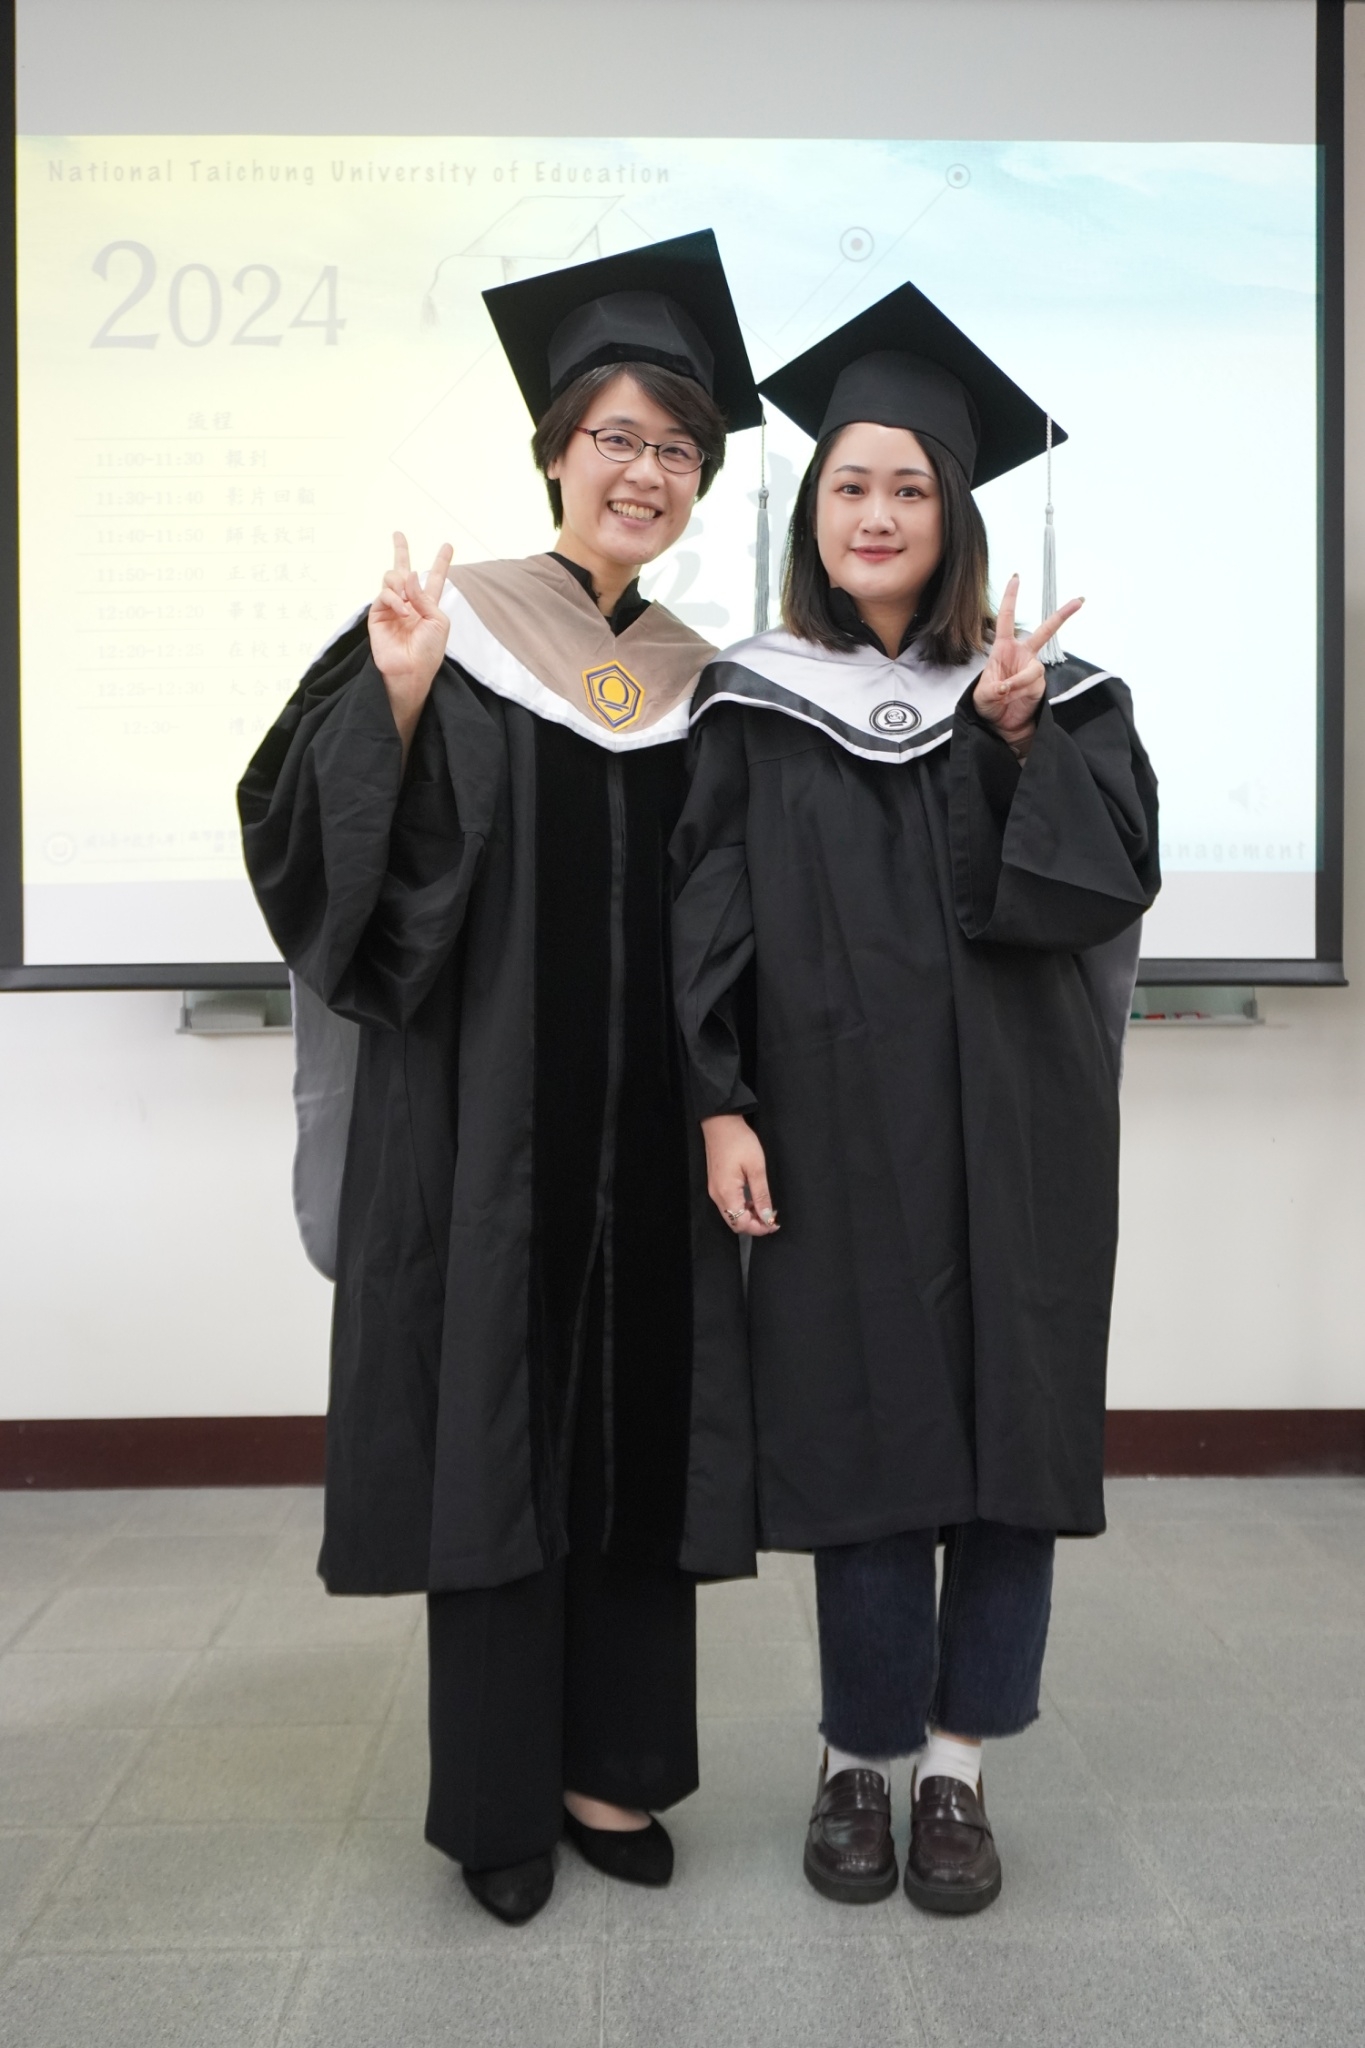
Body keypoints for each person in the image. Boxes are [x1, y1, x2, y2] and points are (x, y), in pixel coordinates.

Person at [238, 231, 761, 1927]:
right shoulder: (450, 630)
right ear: (553, 452)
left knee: (633, 1427)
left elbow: (733, 918)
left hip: (649, 1129)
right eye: (614, 438)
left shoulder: (701, 680)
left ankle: (616, 1767)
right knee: (497, 1429)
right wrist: (393, 704)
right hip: (488, 1128)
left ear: (698, 482)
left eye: (675, 448)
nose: (643, 472)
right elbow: (316, 856)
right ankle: (495, 1799)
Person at [671, 280, 1160, 1915]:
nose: (875, 513)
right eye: (847, 485)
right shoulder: (751, 699)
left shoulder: (1056, 695)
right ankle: (855, 1759)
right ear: (811, 514)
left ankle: (957, 1766)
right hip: (832, 1131)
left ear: (953, 516)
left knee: (1012, 1443)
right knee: (862, 1431)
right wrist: (720, 1101)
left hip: (1022, 1136)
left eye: (908, 487)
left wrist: (1015, 741)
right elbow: (706, 912)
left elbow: (1100, 886)